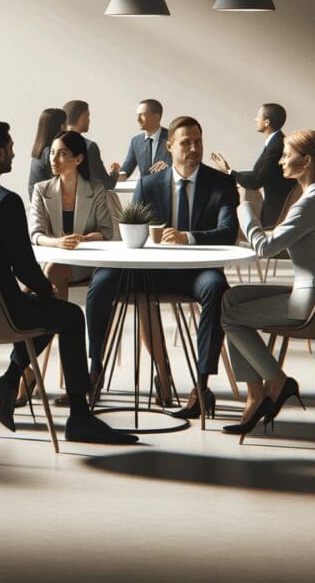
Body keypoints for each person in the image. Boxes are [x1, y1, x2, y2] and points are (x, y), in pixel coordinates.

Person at [0, 120, 136, 445]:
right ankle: (79, 418)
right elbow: (26, 269)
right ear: (0, 153)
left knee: (47, 310)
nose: (15, 153)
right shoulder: (4, 200)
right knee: (69, 317)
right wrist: (46, 293)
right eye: (11, 147)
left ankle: (10, 380)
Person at [83, 116, 238, 417]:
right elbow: (132, 228)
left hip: (196, 274)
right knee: (102, 281)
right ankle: (95, 369)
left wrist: (187, 237)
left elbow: (228, 232)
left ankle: (202, 386)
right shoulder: (149, 183)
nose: (193, 148)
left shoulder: (220, 183)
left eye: (198, 142)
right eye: (186, 143)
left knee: (217, 288)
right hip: (149, 272)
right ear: (169, 147)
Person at [219, 130, 315, 434]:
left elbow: (265, 249)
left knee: (229, 317)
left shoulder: (309, 203)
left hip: (310, 305)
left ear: (306, 162)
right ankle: (256, 394)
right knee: (231, 298)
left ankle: (277, 380)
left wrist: (245, 208)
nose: (280, 162)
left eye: (286, 155)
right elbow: (288, 243)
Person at [30, 131, 114, 296]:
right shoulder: (41, 190)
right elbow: (35, 234)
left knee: (53, 270)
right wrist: (58, 242)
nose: (54, 159)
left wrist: (82, 239)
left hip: (85, 260)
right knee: (54, 268)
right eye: (52, 152)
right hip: (53, 256)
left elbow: (106, 231)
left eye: (62, 154)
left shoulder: (96, 189)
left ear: (78, 159)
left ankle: (47, 308)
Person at [211, 103, 296, 227]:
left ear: (266, 122)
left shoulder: (276, 145)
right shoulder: (275, 142)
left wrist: (229, 172)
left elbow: (257, 180)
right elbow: (258, 174)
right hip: (276, 208)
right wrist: (229, 170)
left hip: (278, 210)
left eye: (258, 116)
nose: (255, 119)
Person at [32, 101, 120, 193]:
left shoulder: (46, 147)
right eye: (88, 116)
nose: (89, 120)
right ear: (82, 118)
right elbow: (106, 184)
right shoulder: (89, 147)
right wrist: (115, 172)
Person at [109, 98, 171, 181]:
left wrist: (170, 167)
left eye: (143, 115)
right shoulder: (136, 141)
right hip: (144, 188)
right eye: (137, 115)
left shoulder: (173, 138)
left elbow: (185, 166)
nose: (138, 120)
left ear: (156, 117)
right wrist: (116, 173)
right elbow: (126, 170)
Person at [27, 108, 66, 197]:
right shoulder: (49, 151)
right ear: (62, 126)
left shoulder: (41, 148)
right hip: (44, 199)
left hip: (37, 197)